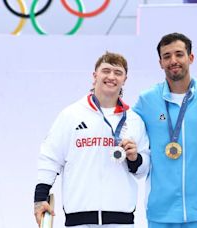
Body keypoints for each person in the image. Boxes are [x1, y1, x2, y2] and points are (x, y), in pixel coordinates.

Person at [33, 51, 150, 227]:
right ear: (95, 76)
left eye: (118, 73)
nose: (111, 76)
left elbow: (144, 169)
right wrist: (40, 198)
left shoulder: (134, 120)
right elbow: (50, 157)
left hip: (121, 220)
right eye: (106, 71)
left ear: (125, 79)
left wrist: (135, 158)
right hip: (79, 220)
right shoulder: (71, 115)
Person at [133, 32, 197, 228]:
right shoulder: (147, 100)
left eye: (179, 54)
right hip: (161, 213)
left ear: (190, 58)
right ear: (160, 63)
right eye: (167, 56)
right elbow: (123, 126)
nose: (173, 60)